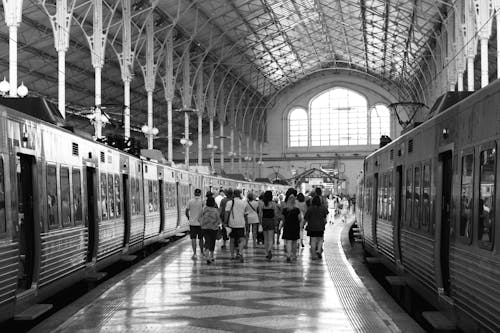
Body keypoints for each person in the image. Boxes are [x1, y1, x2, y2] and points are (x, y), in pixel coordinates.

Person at [224, 189, 246, 262]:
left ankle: (232, 255)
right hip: (241, 224)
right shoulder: (243, 203)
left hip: (232, 224)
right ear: (240, 194)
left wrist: (225, 222)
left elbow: (226, 213)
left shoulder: (229, 202)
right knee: (241, 239)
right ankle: (240, 252)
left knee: (232, 240)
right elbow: (245, 214)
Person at [304, 196, 328, 260]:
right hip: (320, 227)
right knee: (320, 239)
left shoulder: (310, 208)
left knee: (313, 241)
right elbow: (325, 219)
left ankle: (313, 255)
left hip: (312, 227)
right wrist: (324, 224)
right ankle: (319, 250)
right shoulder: (323, 208)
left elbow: (306, 218)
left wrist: (303, 225)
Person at [259, 190, 280, 261]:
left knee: (265, 238)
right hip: (271, 220)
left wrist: (260, 222)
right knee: (271, 238)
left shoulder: (262, 204)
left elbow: (260, 214)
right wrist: (276, 221)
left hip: (264, 220)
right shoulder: (273, 204)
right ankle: (269, 250)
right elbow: (276, 214)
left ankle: (266, 253)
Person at [200, 196, 222, 264]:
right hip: (213, 228)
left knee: (207, 241)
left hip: (205, 228)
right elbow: (218, 220)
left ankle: (207, 256)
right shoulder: (215, 210)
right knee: (212, 242)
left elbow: (199, 218)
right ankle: (212, 256)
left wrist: (202, 224)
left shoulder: (204, 209)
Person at [281, 194, 302, 262]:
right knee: (294, 242)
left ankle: (288, 255)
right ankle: (294, 255)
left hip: (287, 226)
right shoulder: (297, 210)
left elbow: (283, 219)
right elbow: (300, 219)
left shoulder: (285, 210)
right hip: (295, 227)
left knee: (288, 242)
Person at [186, 188, 204, 259]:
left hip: (192, 224)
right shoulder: (202, 202)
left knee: (193, 238)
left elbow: (186, 211)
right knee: (201, 238)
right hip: (200, 224)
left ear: (194, 193)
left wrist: (189, 218)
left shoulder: (190, 201)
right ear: (200, 194)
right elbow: (204, 211)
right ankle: (202, 253)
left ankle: (194, 254)